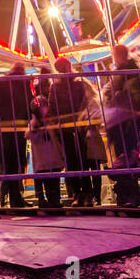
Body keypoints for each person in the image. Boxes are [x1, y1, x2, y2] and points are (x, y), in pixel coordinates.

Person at [104, 44, 140, 206]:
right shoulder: (126, 72)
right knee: (123, 159)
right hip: (119, 120)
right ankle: (125, 194)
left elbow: (132, 96)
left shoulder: (128, 73)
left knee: (126, 158)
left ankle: (131, 195)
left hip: (124, 121)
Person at [49, 56, 91, 207]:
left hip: (77, 126)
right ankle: (77, 193)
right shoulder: (55, 87)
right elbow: (52, 107)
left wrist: (80, 118)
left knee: (82, 160)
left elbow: (84, 103)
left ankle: (86, 193)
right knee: (72, 161)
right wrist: (57, 122)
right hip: (65, 128)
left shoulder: (78, 84)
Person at [0, 63, 32, 207]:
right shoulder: (24, 82)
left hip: (5, 127)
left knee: (8, 164)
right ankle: (16, 197)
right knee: (17, 163)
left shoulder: (2, 83)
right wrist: (27, 119)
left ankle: (8, 195)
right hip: (18, 127)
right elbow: (28, 103)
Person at [27, 69, 64, 208]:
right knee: (43, 179)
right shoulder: (35, 123)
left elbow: (55, 139)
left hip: (50, 158)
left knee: (52, 179)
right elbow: (29, 135)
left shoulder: (50, 122)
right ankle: (43, 199)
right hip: (43, 158)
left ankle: (54, 199)